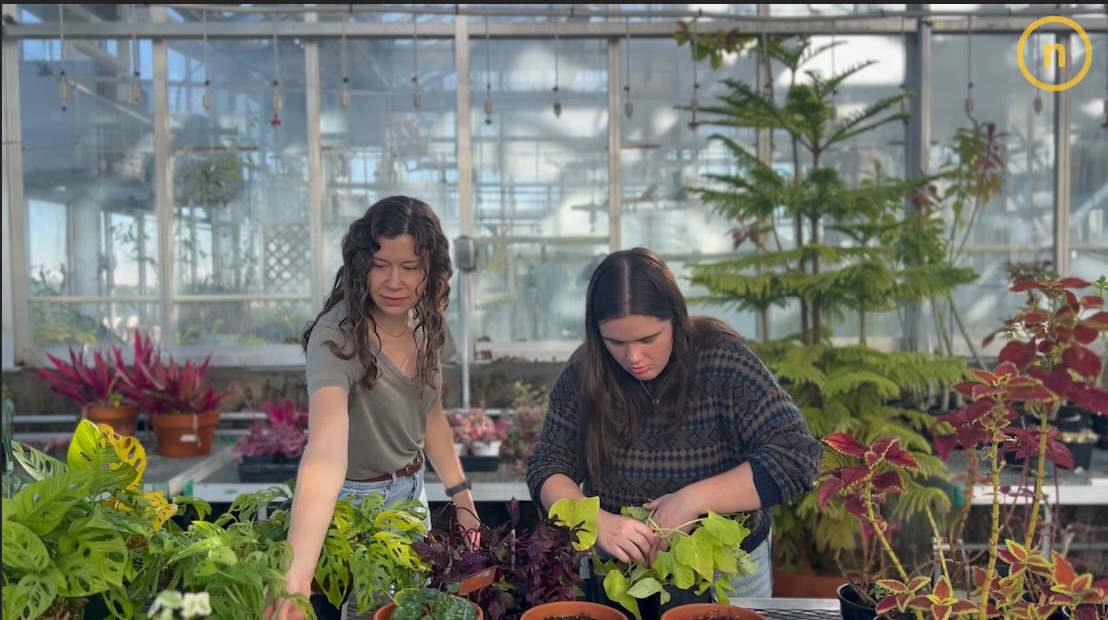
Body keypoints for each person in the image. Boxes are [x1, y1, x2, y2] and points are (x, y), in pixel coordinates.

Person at [526, 247, 823, 617]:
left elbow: (797, 457)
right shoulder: (585, 371)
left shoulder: (722, 360)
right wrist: (594, 521)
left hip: (725, 570)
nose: (633, 356)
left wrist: (694, 499)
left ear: (676, 318)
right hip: (620, 572)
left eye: (649, 339)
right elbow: (547, 465)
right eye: (615, 342)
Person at [271, 196, 480, 620]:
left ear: (431, 272)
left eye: (410, 267)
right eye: (381, 264)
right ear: (361, 263)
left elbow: (430, 413)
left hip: (411, 496)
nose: (394, 282)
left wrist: (461, 496)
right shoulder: (336, 337)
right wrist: (295, 577)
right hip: (353, 504)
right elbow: (326, 450)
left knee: (406, 612)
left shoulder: (429, 324)